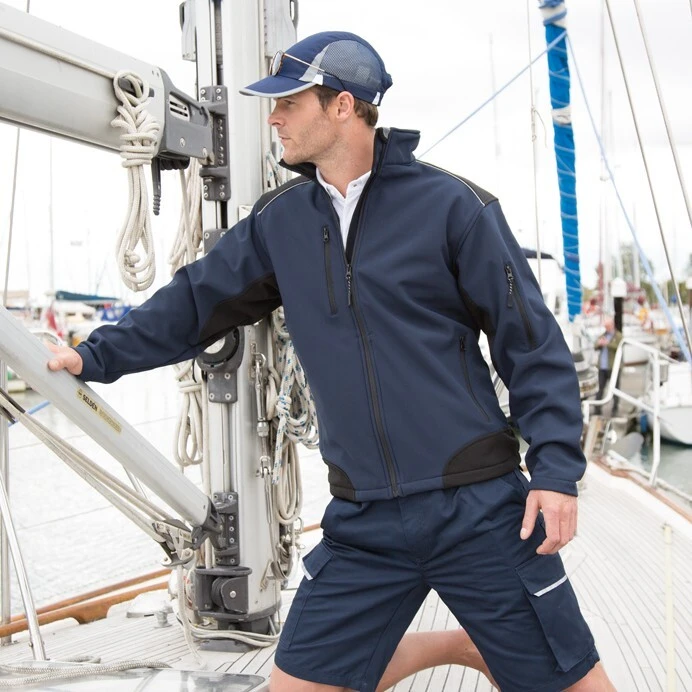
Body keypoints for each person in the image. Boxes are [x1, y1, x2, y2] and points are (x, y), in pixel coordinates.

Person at [47, 31, 615, 692]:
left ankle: (490, 639)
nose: (274, 118)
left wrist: (555, 472)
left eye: (289, 102)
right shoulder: (280, 221)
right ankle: (457, 643)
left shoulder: (454, 207)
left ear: (343, 105)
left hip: (477, 506)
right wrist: (93, 356)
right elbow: (194, 303)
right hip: (363, 520)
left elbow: (531, 345)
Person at [595, 316, 623, 416]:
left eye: (607, 326)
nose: (606, 328)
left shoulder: (618, 336)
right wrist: (599, 344)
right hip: (602, 367)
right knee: (600, 389)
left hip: (613, 367)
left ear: (612, 325)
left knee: (615, 389)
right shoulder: (603, 335)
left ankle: (615, 410)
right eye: (605, 326)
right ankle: (597, 410)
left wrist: (607, 344)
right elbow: (595, 346)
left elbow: (619, 347)